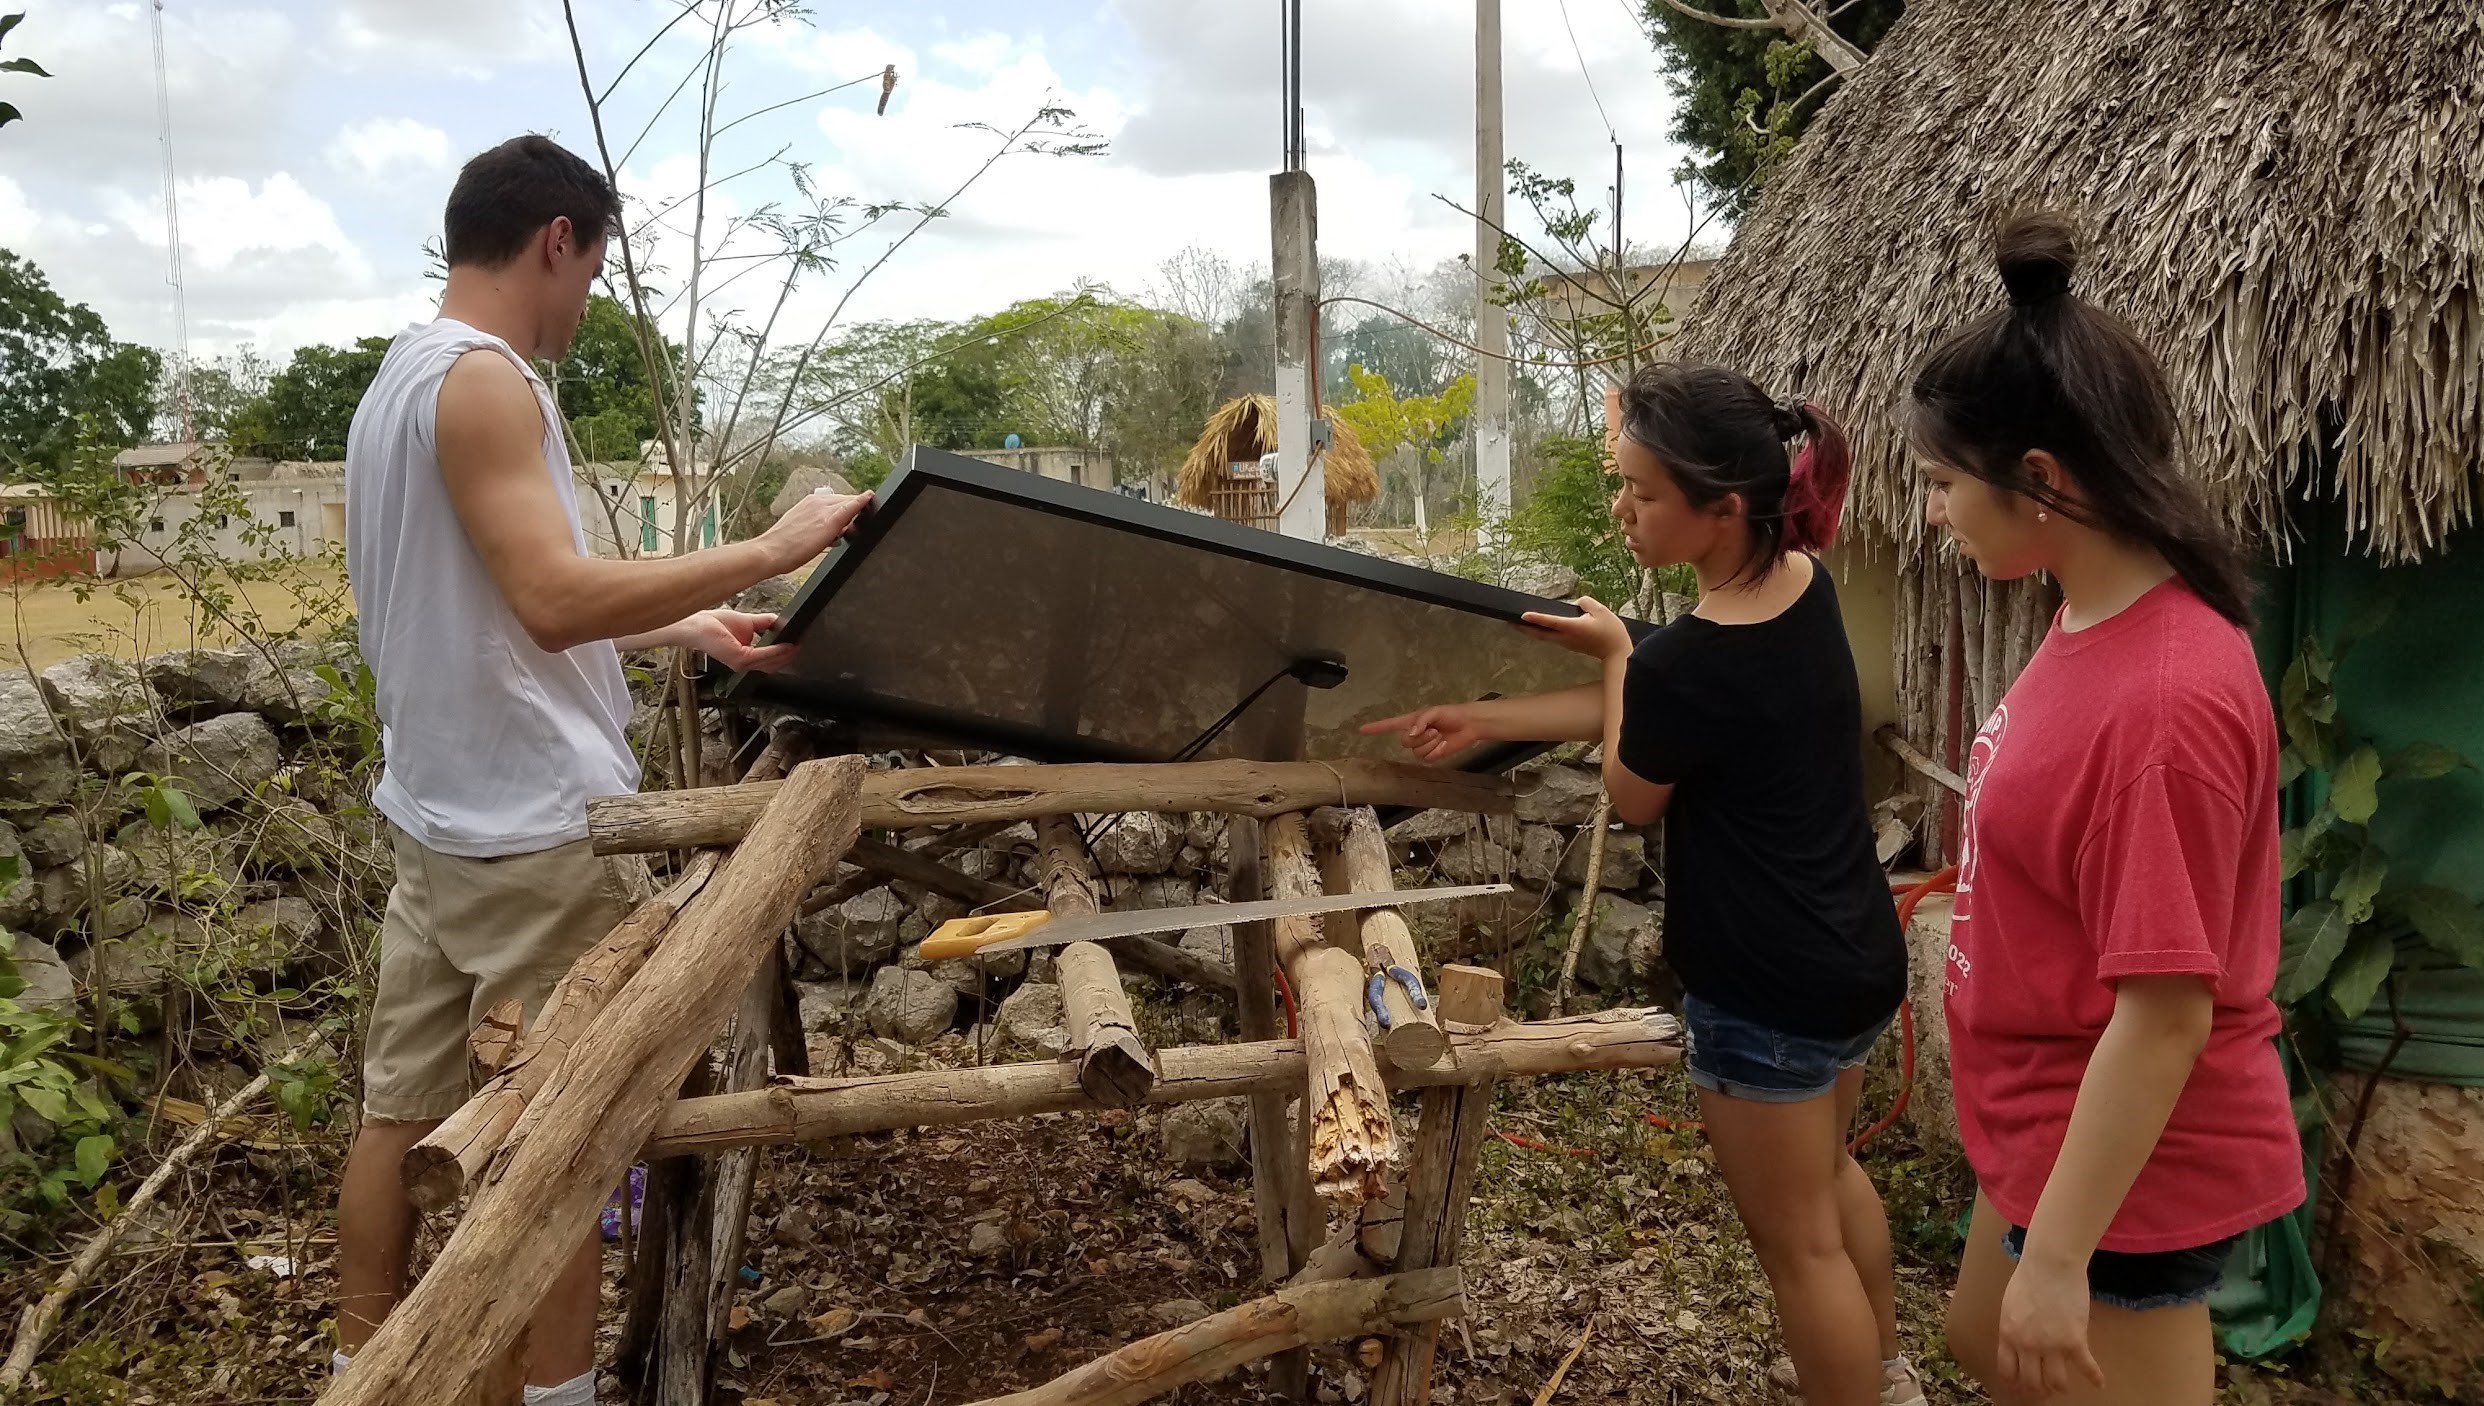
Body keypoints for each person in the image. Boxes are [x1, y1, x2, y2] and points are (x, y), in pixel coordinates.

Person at [332, 135, 870, 1404]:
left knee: (396, 1115)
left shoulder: (396, 383)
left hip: (438, 819)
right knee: (557, 1149)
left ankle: (360, 1371)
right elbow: (551, 596)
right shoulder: (487, 383)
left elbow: (489, 609)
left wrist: (678, 624)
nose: (585, 304)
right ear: (556, 239)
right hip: (532, 831)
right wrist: (766, 546)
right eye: (589, 271)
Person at [1366, 363, 1918, 1406]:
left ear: (1725, 507)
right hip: (1852, 956)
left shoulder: (1680, 663)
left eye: (1641, 490)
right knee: (1834, 1180)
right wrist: (1491, 717)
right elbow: (1670, 697)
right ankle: (1891, 1376)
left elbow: (1633, 780)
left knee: (1800, 1250)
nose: (1621, 506)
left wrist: (1620, 650)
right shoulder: (1799, 588)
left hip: (1764, 988)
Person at [1912, 213, 2303, 1404]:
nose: (1930, 513)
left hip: (2132, 1162)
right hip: (2043, 1117)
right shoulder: (2087, 616)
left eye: (1940, 482)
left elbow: (2168, 1011)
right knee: (1986, 1340)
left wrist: (2066, 1255)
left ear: (2040, 481)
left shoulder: (2164, 703)